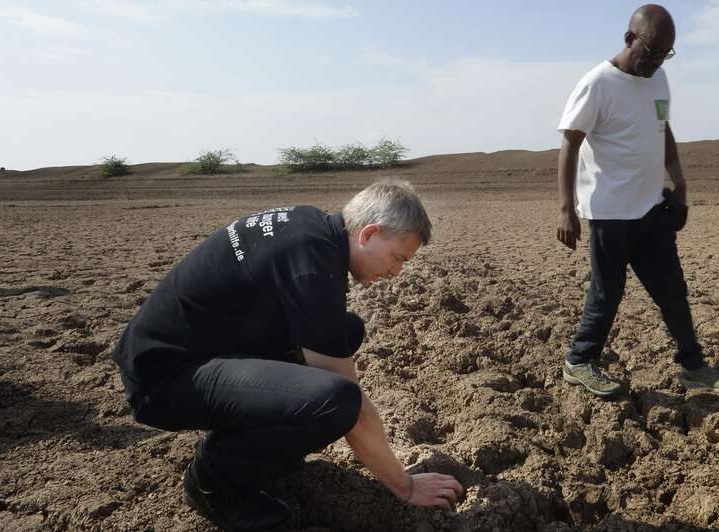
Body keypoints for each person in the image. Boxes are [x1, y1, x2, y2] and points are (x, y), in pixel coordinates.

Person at [113, 179, 463, 531]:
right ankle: (215, 484)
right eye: (398, 258)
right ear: (369, 233)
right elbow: (352, 408)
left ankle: (254, 445)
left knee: (346, 329)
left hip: (182, 353)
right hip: (163, 379)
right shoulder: (312, 266)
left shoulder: (312, 227)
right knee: (336, 401)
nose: (396, 272)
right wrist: (404, 485)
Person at [556, 4, 719, 397]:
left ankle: (693, 366)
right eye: (652, 51)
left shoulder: (658, 80)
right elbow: (569, 145)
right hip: (609, 211)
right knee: (608, 294)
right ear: (629, 39)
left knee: (672, 290)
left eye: (665, 54)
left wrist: (680, 183)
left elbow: (663, 129)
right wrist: (566, 209)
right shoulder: (598, 83)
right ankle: (579, 361)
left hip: (651, 208)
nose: (657, 62)